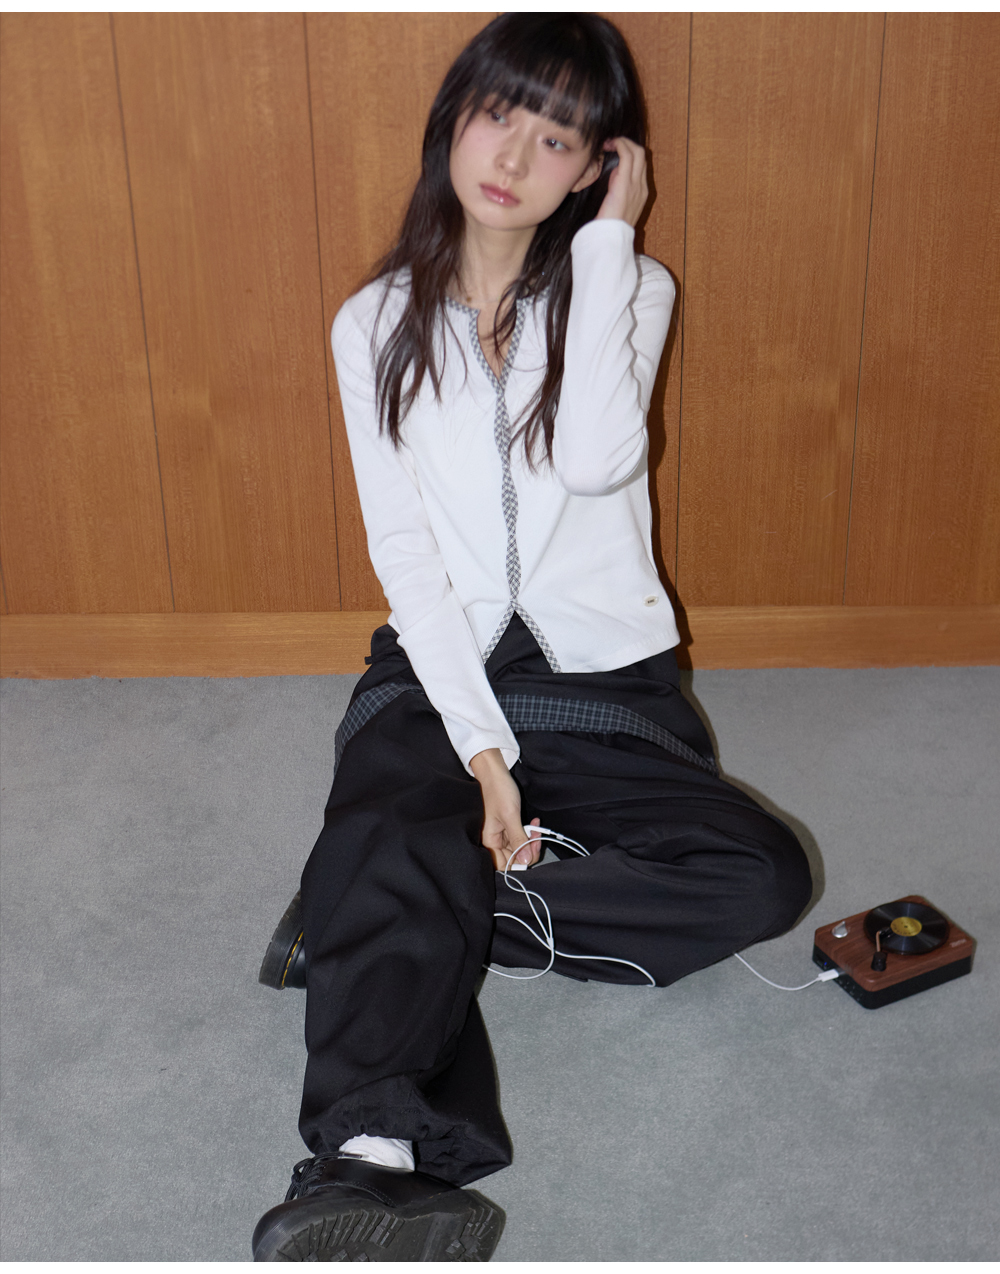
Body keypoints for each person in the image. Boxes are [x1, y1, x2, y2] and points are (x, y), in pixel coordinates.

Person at [252, 12, 812, 1263]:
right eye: (497, 115)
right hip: (440, 661)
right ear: (452, 120)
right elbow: (406, 556)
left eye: (555, 138)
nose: (512, 155)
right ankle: (369, 1155)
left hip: (601, 668)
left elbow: (597, 456)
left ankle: (405, 908)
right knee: (403, 812)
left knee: (764, 876)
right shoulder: (372, 322)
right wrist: (482, 752)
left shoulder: (629, 287)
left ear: (596, 166)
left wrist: (611, 240)